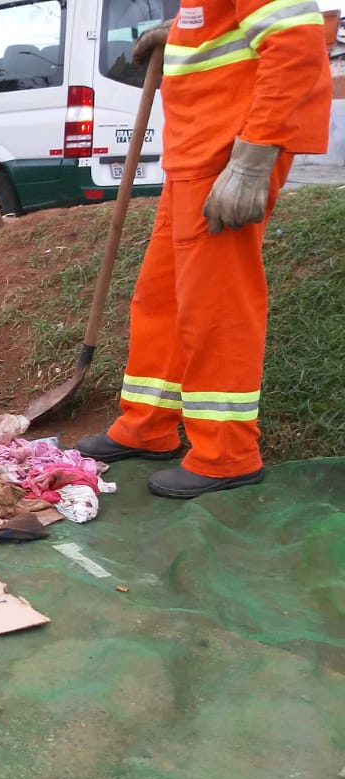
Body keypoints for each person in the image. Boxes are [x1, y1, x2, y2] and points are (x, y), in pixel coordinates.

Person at [75, 6, 331, 499]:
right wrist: (178, 31)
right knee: (161, 297)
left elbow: (295, 42)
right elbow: (231, 23)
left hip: (228, 152)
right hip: (194, 151)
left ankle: (227, 453)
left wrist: (255, 156)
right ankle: (149, 424)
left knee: (215, 304)